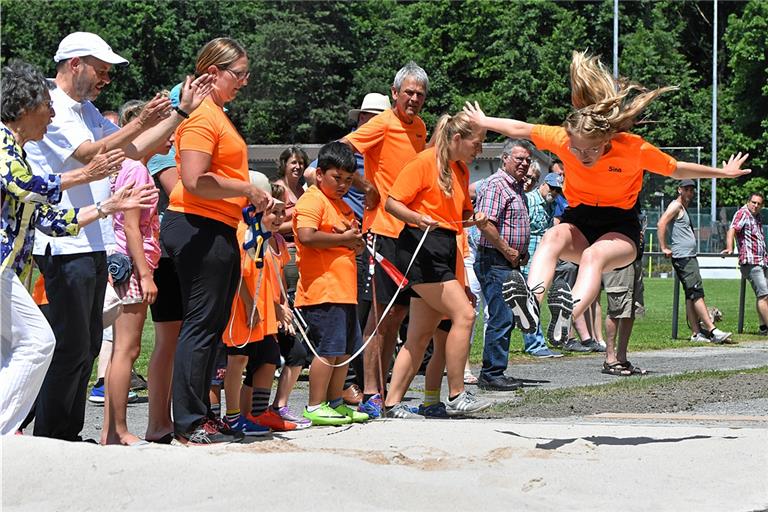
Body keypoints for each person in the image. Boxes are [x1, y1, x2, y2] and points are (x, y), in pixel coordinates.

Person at [463, 50, 750, 347]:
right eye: (577, 150)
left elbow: (676, 169)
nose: (584, 156)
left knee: (593, 257)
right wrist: (485, 120)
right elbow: (521, 128)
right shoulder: (564, 138)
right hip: (581, 216)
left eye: (592, 150)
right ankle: (532, 305)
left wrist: (723, 173)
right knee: (552, 238)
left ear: (606, 140)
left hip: (620, 224)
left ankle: (567, 312)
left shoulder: (631, 148)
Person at [23, 32, 211, 441]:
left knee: (87, 346)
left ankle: (66, 434)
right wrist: (143, 120)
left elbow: (131, 151)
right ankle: (54, 437)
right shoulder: (52, 106)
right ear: (76, 64)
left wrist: (178, 114)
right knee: (71, 347)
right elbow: (92, 154)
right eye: (102, 70)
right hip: (64, 240)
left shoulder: (85, 108)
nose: (106, 79)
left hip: (91, 237)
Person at [0, 60, 157, 435]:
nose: (52, 115)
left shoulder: (18, 150)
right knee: (40, 343)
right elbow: (26, 185)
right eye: (47, 107)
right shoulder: (3, 148)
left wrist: (107, 207)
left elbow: (50, 219)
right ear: (25, 108)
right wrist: (85, 175)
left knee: (17, 352)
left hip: (10, 273)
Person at [161, 37, 271, 444]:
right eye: (238, 73)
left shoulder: (216, 114)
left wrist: (245, 196)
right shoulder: (203, 116)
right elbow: (194, 179)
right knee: (201, 326)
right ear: (213, 73)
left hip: (215, 226)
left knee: (210, 326)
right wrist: (247, 187)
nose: (244, 81)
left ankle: (201, 415)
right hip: (197, 225)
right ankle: (189, 422)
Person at [101, 93, 210, 446]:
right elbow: (131, 226)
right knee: (126, 349)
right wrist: (146, 275)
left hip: (138, 264)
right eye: (166, 130)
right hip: (134, 267)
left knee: (127, 348)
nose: (171, 137)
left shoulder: (136, 167)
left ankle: (114, 432)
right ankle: (116, 432)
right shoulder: (134, 169)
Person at [383, 111, 491, 418]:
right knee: (465, 314)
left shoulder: (461, 170)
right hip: (421, 247)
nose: (479, 150)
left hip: (443, 247)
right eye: (477, 143)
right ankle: (457, 394)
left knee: (418, 336)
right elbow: (393, 202)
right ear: (457, 139)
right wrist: (417, 218)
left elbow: (460, 213)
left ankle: (390, 404)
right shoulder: (423, 162)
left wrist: (476, 220)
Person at [342, 62, 428, 417]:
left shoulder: (421, 127)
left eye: (420, 94)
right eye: (408, 92)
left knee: (399, 313)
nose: (414, 99)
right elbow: (338, 152)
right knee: (379, 315)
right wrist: (366, 187)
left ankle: (388, 394)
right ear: (395, 93)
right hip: (382, 231)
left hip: (411, 232)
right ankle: (372, 393)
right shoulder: (380, 124)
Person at [304, 92, 391, 407]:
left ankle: (346, 392)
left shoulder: (385, 151)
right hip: (339, 250)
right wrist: (361, 186)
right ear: (362, 120)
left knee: (357, 324)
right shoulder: (346, 149)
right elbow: (310, 174)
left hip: (368, 238)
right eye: (372, 118)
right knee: (339, 331)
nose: (378, 124)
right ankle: (329, 396)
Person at [293, 141, 369, 426]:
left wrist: (355, 242)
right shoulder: (313, 199)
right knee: (327, 351)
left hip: (345, 290)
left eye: (348, 180)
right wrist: (344, 240)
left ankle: (336, 403)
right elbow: (307, 235)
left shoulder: (343, 206)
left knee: (345, 351)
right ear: (320, 173)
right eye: (337, 178)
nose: (343, 185)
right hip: (322, 291)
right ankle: (314, 404)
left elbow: (354, 245)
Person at [473, 139, 533, 392]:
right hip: (495, 260)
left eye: (528, 160)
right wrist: (509, 251)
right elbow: (485, 223)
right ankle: (491, 373)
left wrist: (521, 253)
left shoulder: (517, 188)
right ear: (505, 159)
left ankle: (496, 370)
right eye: (519, 159)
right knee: (501, 316)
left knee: (507, 317)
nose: (525, 164)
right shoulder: (498, 185)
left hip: (509, 261)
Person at [658, 180, 732, 343]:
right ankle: (712, 330)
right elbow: (661, 223)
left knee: (691, 295)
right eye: (686, 189)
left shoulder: (682, 208)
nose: (690, 193)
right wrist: (664, 247)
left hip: (687, 256)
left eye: (692, 190)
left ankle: (696, 333)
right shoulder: (675, 206)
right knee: (697, 293)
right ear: (679, 190)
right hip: (683, 257)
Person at [523, 172, 565, 358]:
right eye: (552, 188)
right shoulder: (529, 200)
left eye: (558, 191)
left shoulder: (551, 204)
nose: (554, 193)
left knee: (531, 302)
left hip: (540, 260)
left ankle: (536, 343)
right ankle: (535, 345)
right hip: (526, 260)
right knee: (529, 302)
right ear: (543, 184)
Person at [601, 212, 648, 376]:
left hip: (634, 257)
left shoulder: (634, 198)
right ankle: (610, 358)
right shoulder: (614, 196)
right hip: (617, 258)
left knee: (631, 309)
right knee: (617, 307)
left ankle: (621, 357)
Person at [722, 193, 768, 336]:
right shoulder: (742, 213)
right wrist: (730, 247)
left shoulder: (757, 216)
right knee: (764, 296)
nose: (756, 205)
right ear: (748, 202)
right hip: (751, 261)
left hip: (761, 260)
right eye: (753, 202)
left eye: (759, 204)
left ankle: (763, 327)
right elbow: (732, 230)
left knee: (762, 295)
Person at [272, 145, 309, 294]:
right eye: (293, 163)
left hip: (303, 249)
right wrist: (297, 220)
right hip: (287, 249)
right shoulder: (278, 189)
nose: (298, 167)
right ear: (284, 164)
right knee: (292, 293)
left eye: (301, 163)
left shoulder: (302, 190)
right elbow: (273, 226)